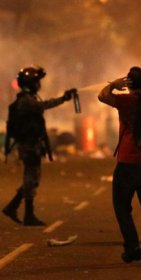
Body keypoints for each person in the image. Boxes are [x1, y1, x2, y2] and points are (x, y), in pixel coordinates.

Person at [98, 67, 141, 265]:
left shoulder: (127, 101)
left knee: (121, 206)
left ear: (129, 84)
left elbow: (102, 96)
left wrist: (113, 85)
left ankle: (132, 247)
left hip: (129, 162)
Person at [2, 65, 74, 226]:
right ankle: (27, 214)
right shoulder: (26, 101)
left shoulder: (26, 99)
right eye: (37, 82)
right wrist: (63, 98)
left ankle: (13, 207)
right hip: (28, 145)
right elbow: (44, 106)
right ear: (31, 84)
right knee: (31, 178)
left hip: (31, 144)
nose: (39, 85)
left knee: (32, 178)